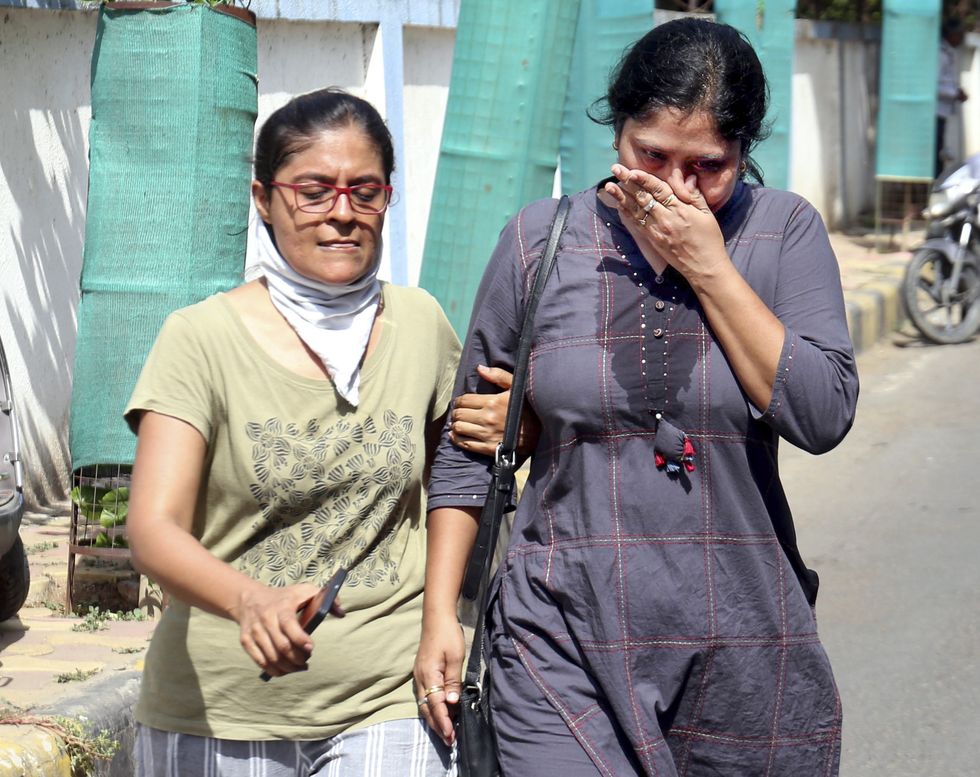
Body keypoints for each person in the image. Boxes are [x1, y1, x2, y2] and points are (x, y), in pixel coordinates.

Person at [415, 17, 859, 777]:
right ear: (617, 130)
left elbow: (822, 415)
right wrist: (439, 618)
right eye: (651, 154)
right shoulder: (539, 242)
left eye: (708, 166)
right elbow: (467, 448)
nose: (675, 187)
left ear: (744, 151)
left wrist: (709, 267)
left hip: (740, 645)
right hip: (558, 633)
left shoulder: (781, 232)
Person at [125, 88, 469, 776]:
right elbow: (153, 528)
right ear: (263, 198)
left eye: (365, 192)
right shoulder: (200, 339)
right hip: (219, 711)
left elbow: (457, 482)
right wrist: (249, 600)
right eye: (313, 192)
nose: (342, 213)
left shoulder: (420, 325)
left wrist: (442, 616)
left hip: (387, 696)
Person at [937, 17, 969, 178]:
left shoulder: (949, 52)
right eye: (960, 34)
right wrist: (955, 93)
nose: (962, 38)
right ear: (951, 35)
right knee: (936, 153)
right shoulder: (940, 53)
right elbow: (934, 85)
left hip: (943, 112)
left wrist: (956, 91)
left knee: (941, 152)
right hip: (934, 112)